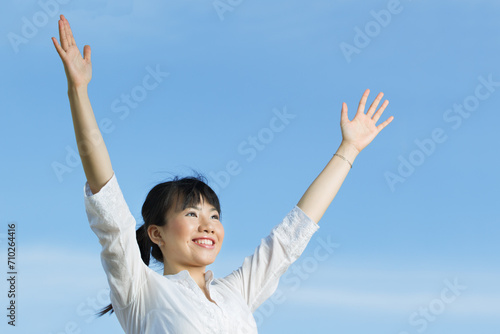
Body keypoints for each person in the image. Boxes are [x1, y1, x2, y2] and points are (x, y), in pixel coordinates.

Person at [52, 14, 394, 334]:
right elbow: (107, 199)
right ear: (156, 234)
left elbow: (293, 234)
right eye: (191, 213)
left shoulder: (237, 293)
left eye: (214, 215)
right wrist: (78, 91)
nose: (208, 225)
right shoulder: (141, 292)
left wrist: (348, 150)